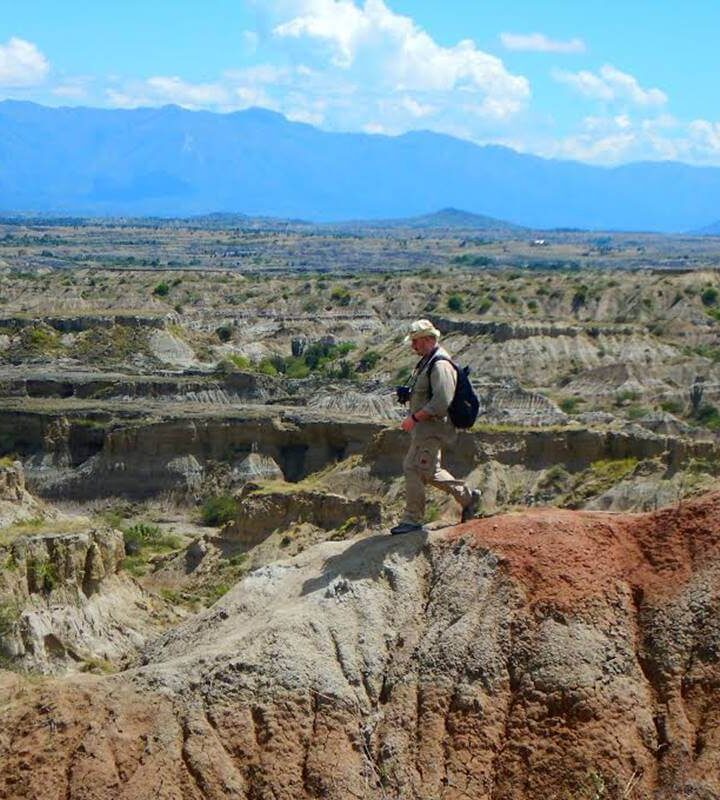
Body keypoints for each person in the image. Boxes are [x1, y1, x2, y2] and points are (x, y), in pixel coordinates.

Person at [390, 319, 481, 535]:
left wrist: (414, 418)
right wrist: (410, 395)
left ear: (429, 339)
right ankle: (469, 498)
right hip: (425, 429)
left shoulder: (440, 364)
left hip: (433, 429)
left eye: (416, 342)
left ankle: (412, 519)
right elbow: (429, 394)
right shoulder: (427, 362)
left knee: (412, 467)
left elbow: (441, 402)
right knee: (430, 471)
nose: (413, 346)